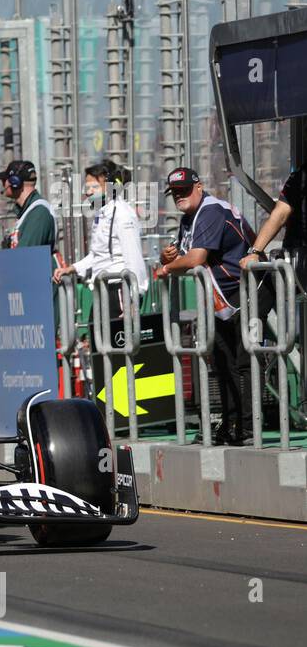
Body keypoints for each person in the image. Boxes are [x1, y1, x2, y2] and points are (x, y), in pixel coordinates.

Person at [154, 167, 258, 445]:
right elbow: (183, 254)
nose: (179, 197)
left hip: (250, 287)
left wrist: (166, 267)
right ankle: (232, 422)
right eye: (175, 193)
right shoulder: (190, 217)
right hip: (225, 295)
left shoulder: (210, 209)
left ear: (199, 187)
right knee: (223, 360)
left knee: (244, 358)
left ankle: (248, 426)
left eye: (184, 190)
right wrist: (167, 255)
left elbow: (196, 258)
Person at [54, 159, 147, 318]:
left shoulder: (123, 213)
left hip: (119, 289)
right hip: (102, 288)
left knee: (115, 342)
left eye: (94, 187)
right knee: (97, 339)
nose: (88, 192)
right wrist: (71, 269)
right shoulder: (101, 213)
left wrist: (134, 296)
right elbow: (98, 255)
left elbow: (134, 257)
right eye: (87, 187)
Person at [240, 161, 307, 291]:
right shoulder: (301, 176)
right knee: (263, 295)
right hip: (299, 257)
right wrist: (255, 252)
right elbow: (279, 214)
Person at [0, 159, 59, 260]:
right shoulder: (27, 212)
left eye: (4, 180)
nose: (3, 184)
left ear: (15, 182)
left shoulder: (39, 213)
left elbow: (23, 257)